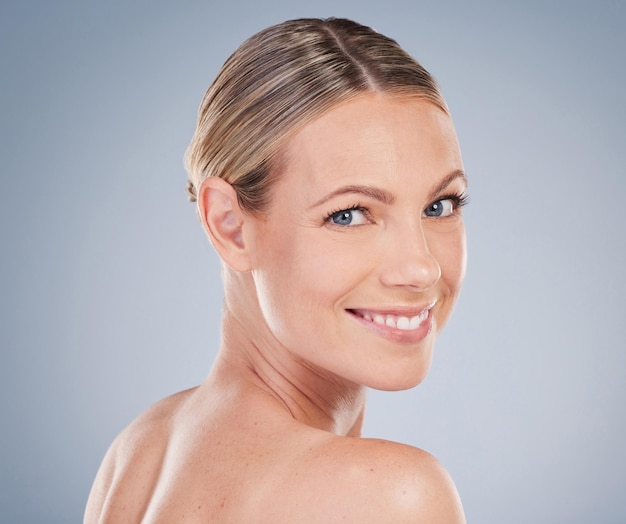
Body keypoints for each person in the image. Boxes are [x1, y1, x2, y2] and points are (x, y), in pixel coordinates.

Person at [85, 17, 468, 523]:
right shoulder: (390, 496)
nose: (420, 268)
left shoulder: (138, 453)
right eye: (349, 214)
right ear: (229, 226)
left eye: (440, 205)